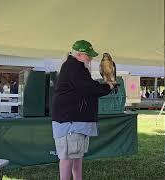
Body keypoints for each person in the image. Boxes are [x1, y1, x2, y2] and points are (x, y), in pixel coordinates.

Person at [51, 40, 114, 180]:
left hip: (72, 121)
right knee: (68, 158)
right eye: (88, 55)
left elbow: (85, 86)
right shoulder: (75, 66)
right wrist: (107, 87)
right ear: (79, 54)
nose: (90, 59)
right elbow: (89, 87)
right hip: (70, 121)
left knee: (76, 157)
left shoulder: (73, 66)